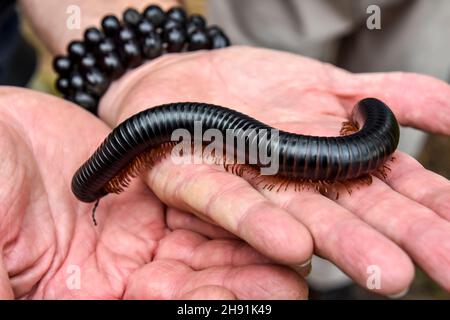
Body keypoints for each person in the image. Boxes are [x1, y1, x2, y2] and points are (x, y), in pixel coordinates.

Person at [0, 0, 449, 299]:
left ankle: (333, 280)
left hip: (360, 143)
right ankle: (330, 279)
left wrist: (134, 61)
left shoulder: (364, 138)